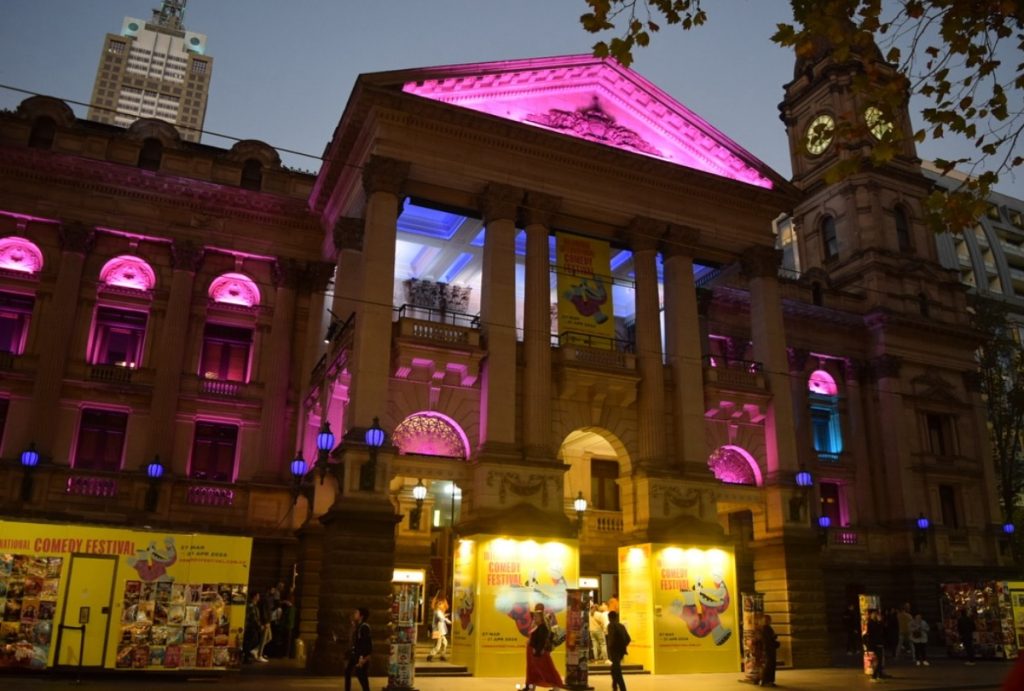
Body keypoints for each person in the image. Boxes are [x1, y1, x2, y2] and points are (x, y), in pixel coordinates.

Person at [523, 603, 564, 690]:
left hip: (539, 652)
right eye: (534, 615)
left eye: (536, 616)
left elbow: (541, 641)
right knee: (533, 671)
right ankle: (530, 687)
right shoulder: (537, 625)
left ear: (541, 617)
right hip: (534, 652)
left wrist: (537, 650)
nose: (534, 617)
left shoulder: (543, 626)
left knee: (547, 670)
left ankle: (556, 686)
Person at [345, 607, 372, 691]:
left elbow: (366, 643)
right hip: (355, 654)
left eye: (356, 613)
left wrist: (362, 657)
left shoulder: (364, 627)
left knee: (361, 675)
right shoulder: (358, 626)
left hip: (360, 655)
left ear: (361, 616)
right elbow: (355, 640)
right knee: (348, 672)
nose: (354, 614)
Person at [606, 609, 631, 691]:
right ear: (616, 617)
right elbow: (628, 638)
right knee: (614, 668)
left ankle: (623, 688)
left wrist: (610, 648)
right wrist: (623, 646)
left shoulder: (611, 625)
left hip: (614, 651)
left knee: (617, 670)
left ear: (609, 618)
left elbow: (611, 638)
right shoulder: (621, 626)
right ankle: (614, 685)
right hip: (621, 651)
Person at [865, 609, 887, 682]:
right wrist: (880, 622)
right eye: (874, 614)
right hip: (874, 644)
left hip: (879, 643)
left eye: (876, 614)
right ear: (871, 615)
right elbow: (876, 632)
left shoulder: (876, 622)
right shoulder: (871, 623)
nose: (876, 615)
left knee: (879, 661)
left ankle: (878, 675)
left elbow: (882, 631)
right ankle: (874, 676)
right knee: (877, 661)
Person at [427, 596, 451, 662]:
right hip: (437, 631)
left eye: (442, 603)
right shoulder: (437, 611)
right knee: (438, 645)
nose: (441, 605)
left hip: (441, 631)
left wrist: (445, 617)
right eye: (440, 603)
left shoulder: (439, 612)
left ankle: (442, 656)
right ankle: (430, 656)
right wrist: (446, 618)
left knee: (445, 643)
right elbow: (441, 618)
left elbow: (442, 618)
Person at [760, 614, 780, 687]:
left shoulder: (765, 628)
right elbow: (769, 639)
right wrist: (775, 638)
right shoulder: (766, 628)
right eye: (768, 620)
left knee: (770, 664)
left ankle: (766, 680)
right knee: (770, 665)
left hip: (769, 648)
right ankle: (767, 680)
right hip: (769, 649)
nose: (770, 621)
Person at [244, 592, 264, 663]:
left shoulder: (254, 605)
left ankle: (247, 654)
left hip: (253, 626)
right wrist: (259, 625)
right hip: (251, 626)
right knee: (253, 640)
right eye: (258, 596)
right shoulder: (251, 606)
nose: (259, 597)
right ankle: (246, 656)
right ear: (255, 597)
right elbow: (253, 617)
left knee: (254, 640)